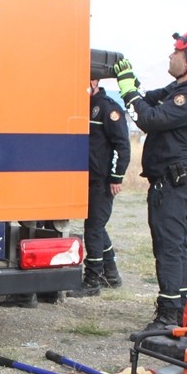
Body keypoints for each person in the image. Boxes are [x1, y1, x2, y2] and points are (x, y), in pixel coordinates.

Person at [111, 30, 187, 339]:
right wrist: (134, 87)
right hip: (168, 181)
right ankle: (179, 310)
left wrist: (128, 90)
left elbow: (149, 118)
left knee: (169, 249)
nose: (170, 57)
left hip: (173, 181)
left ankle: (170, 316)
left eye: (175, 52)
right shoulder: (179, 89)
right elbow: (150, 100)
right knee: (172, 247)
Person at [69, 74, 131, 297]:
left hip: (103, 180)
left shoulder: (108, 109)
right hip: (88, 178)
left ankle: (92, 280)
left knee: (93, 228)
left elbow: (122, 145)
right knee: (97, 225)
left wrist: (116, 177)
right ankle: (111, 275)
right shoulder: (85, 106)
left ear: (94, 82)